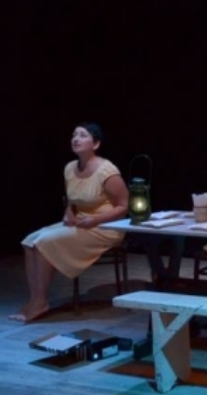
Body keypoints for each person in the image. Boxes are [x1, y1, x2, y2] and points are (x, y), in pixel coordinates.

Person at [11, 122, 129, 323]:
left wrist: (95, 219)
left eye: (82, 135)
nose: (76, 139)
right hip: (80, 223)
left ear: (95, 144)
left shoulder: (107, 170)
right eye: (74, 135)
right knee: (29, 241)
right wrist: (68, 214)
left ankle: (40, 302)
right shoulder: (69, 168)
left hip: (105, 227)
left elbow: (124, 206)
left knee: (44, 242)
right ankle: (35, 299)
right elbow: (71, 201)